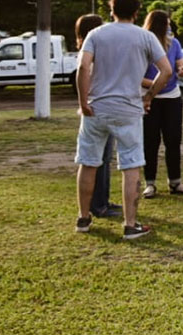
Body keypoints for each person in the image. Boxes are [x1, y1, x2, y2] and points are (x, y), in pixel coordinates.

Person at [74, 0, 171, 239]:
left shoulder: (96, 34)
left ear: (111, 9)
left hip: (96, 107)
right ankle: (130, 224)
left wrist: (83, 101)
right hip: (128, 108)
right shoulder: (145, 36)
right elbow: (166, 71)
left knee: (89, 162)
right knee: (131, 166)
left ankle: (84, 218)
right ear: (137, 12)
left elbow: (83, 67)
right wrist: (149, 96)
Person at [140, 10, 183, 198]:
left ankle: (175, 182)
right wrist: (156, 84)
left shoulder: (174, 43)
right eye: (167, 24)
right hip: (149, 98)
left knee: (173, 140)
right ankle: (150, 183)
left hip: (172, 97)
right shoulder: (144, 45)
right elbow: (137, 76)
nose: (170, 27)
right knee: (150, 142)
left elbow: (181, 64)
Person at [75, 13, 120, 219]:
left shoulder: (90, 50)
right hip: (97, 108)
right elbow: (85, 73)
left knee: (101, 159)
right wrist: (84, 103)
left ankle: (101, 200)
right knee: (96, 161)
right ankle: (97, 204)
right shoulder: (91, 52)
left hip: (95, 108)